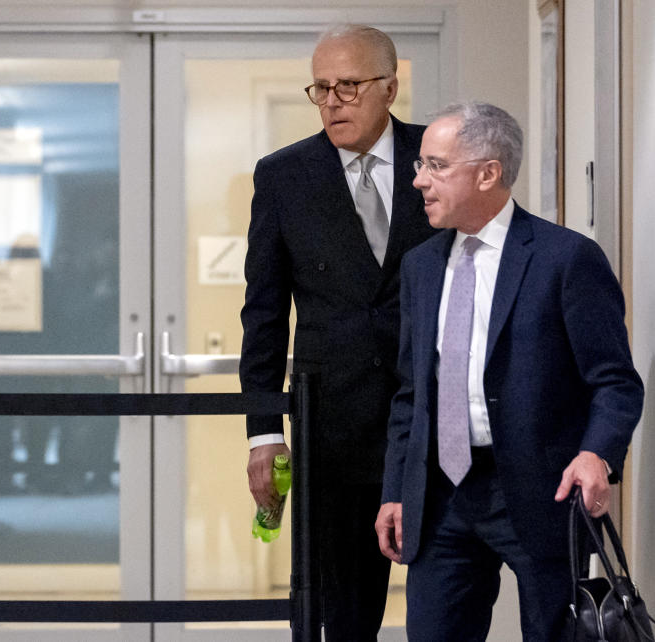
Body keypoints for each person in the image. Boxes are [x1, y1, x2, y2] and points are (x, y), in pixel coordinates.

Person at [374, 101, 644, 641]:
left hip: (541, 493)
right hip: (442, 495)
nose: (419, 181)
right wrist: (397, 489)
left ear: (488, 172)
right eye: (419, 166)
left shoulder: (566, 258)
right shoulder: (421, 265)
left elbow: (615, 381)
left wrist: (597, 454)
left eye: (436, 166)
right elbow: (412, 394)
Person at [239, 24, 437, 640]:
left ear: (389, 87)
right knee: (346, 616)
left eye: (348, 87)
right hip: (334, 426)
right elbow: (264, 313)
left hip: (433, 419)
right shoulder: (283, 176)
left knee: (444, 599)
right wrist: (264, 432)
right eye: (320, 88)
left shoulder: (437, 156)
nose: (331, 102)